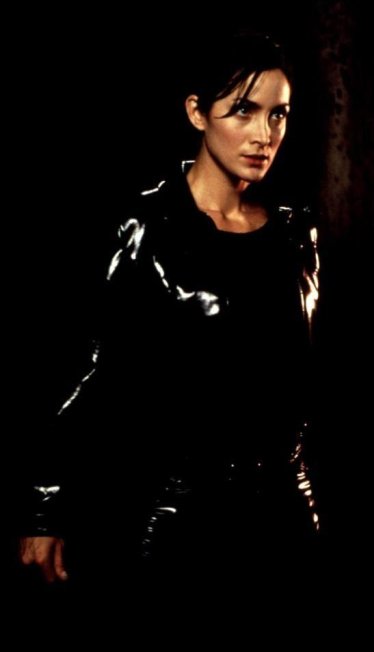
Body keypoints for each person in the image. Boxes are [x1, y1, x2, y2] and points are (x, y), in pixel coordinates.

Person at [18, 32, 321, 616]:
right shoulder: (144, 228)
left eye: (278, 114)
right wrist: (44, 508)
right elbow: (89, 372)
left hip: (285, 513)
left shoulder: (296, 233)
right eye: (243, 110)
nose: (264, 134)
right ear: (196, 113)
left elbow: (309, 376)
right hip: (178, 517)